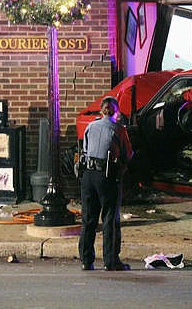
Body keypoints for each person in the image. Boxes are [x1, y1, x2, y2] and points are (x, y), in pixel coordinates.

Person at [79, 96, 133, 271]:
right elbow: (128, 154)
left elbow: (85, 149)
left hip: (88, 176)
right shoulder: (118, 130)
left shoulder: (90, 126)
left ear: (101, 111)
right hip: (107, 176)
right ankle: (111, 261)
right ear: (116, 112)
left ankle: (86, 260)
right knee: (110, 218)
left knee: (89, 219)